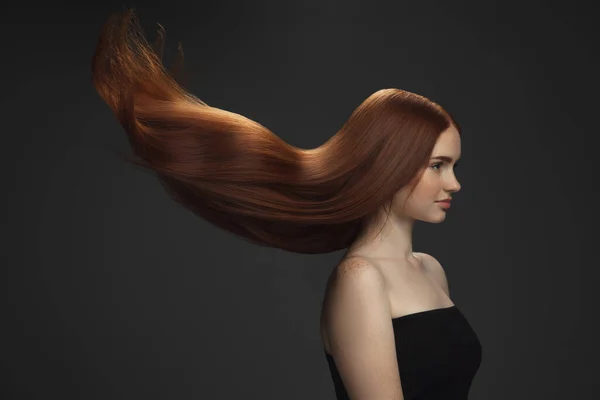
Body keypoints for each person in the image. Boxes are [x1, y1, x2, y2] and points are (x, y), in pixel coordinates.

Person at [91, 9, 482, 399]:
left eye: (454, 165)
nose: (454, 183)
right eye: (437, 166)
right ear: (390, 165)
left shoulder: (431, 270)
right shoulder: (361, 279)